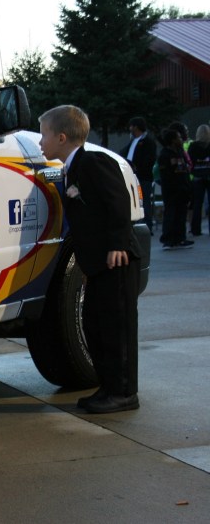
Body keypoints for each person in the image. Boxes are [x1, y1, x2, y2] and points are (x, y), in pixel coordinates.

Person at [38, 105, 141, 414]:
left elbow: (118, 202)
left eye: (43, 135)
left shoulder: (93, 162)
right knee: (95, 326)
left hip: (117, 260)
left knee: (117, 329)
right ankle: (108, 387)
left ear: (61, 137)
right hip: (97, 264)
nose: (40, 142)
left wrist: (117, 244)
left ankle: (124, 393)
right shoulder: (72, 167)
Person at [119, 117, 157, 234]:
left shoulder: (148, 142)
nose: (129, 128)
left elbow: (149, 159)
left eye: (131, 126)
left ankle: (146, 226)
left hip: (143, 177)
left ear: (136, 127)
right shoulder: (132, 141)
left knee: (144, 201)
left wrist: (138, 168)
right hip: (131, 176)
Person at [158, 128, 193, 249]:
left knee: (181, 215)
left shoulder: (180, 153)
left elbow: (184, 172)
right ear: (172, 140)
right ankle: (168, 240)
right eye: (178, 137)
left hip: (183, 190)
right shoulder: (165, 155)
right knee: (171, 215)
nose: (181, 139)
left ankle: (180, 238)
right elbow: (166, 175)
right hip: (172, 191)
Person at [188, 124, 210, 236]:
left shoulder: (193, 146)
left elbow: (190, 161)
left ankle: (196, 229)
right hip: (208, 175)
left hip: (197, 176)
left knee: (197, 204)